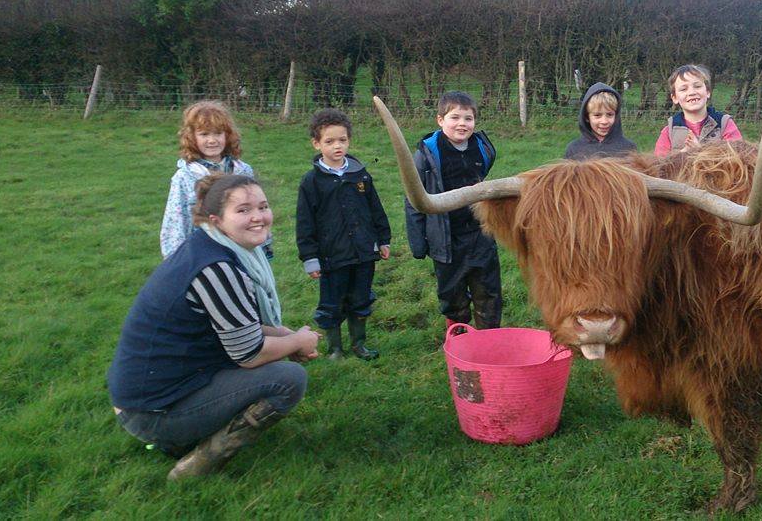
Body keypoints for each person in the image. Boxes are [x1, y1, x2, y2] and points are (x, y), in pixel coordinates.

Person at [109, 174, 319, 480]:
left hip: (145, 398)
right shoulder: (217, 268)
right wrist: (297, 341)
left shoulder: (206, 246)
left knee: (277, 355)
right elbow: (249, 354)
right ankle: (197, 462)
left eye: (263, 206)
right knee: (288, 379)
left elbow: (235, 326)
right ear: (216, 218)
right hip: (150, 412)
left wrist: (286, 336)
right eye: (243, 210)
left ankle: (181, 436)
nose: (258, 217)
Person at [295, 109, 391, 361]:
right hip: (331, 257)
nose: (337, 146)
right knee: (332, 302)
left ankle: (359, 343)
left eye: (342, 140)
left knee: (361, 299)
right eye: (329, 141)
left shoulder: (361, 175)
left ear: (349, 140)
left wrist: (383, 240)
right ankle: (335, 348)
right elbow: (304, 223)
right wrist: (310, 258)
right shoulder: (311, 182)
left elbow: (376, 210)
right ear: (316, 143)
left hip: (363, 253)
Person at [405, 91, 504, 331]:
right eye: (455, 118)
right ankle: (458, 335)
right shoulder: (426, 155)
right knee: (452, 295)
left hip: (481, 234)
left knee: (488, 291)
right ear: (440, 120)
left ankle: (489, 338)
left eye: (468, 119)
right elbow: (413, 201)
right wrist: (419, 242)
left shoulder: (482, 148)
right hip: (446, 240)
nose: (462, 124)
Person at [160, 100, 258, 259]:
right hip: (204, 253)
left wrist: (262, 244)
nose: (212, 140)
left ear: (227, 134)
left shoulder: (243, 171)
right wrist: (176, 260)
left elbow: (256, 209)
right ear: (192, 137)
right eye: (204, 134)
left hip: (241, 250)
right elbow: (175, 223)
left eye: (218, 133)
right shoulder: (185, 177)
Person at [653, 64, 743, 157]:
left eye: (697, 86)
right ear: (675, 98)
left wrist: (699, 151)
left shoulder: (725, 124)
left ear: (708, 91)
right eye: (683, 89)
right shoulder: (669, 131)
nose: (692, 92)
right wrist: (682, 155)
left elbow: (737, 161)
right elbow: (659, 166)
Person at [563, 82, 638, 160]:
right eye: (597, 115)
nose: (604, 121)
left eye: (609, 115)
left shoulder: (628, 148)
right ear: (587, 117)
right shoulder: (574, 149)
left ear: (616, 115)